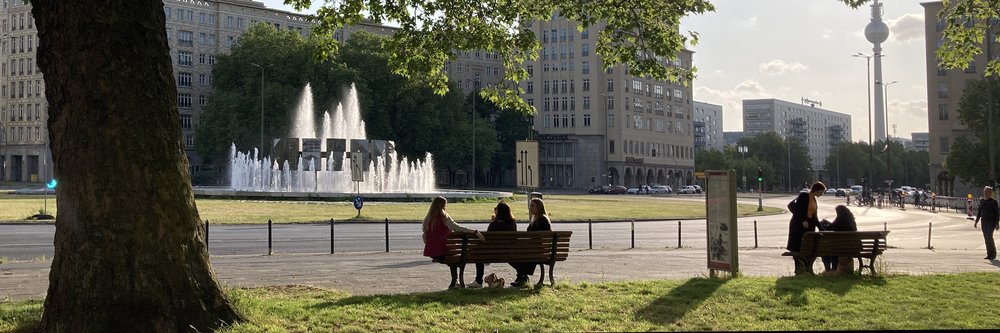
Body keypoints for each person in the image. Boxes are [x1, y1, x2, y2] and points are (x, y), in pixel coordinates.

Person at [421, 196, 484, 289]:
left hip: (434, 253)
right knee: (452, 255)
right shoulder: (444, 216)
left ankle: (455, 282)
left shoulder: (427, 219)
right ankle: (456, 282)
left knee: (452, 257)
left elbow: (425, 238)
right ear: (443, 206)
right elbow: (457, 228)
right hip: (446, 252)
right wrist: (474, 231)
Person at [471, 201, 518, 288]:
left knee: (478, 253)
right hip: (509, 252)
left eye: (496, 209)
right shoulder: (513, 223)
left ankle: (478, 281)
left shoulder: (494, 224)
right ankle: (522, 276)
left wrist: (493, 222)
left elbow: (487, 240)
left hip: (492, 254)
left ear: (499, 212)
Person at [786, 181, 827, 275]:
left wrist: (821, 228)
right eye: (821, 192)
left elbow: (815, 217)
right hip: (798, 227)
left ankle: (804, 269)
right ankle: (799, 270)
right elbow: (797, 211)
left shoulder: (814, 200)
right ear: (817, 190)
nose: (822, 194)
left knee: (806, 247)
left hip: (808, 228)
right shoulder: (804, 196)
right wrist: (803, 220)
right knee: (798, 247)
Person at [511, 197, 552, 287]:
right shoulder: (539, 219)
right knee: (514, 253)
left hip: (537, 251)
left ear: (539, 207)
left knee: (512, 254)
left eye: (532, 206)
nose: (530, 208)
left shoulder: (541, 220)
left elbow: (536, 238)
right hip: (538, 250)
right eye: (530, 205)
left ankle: (522, 276)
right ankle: (522, 276)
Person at [819, 205, 858, 274]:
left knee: (825, 252)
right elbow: (834, 226)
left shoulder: (840, 220)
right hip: (852, 247)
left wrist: (822, 223)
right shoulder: (851, 221)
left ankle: (829, 270)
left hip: (840, 248)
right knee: (834, 250)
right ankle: (834, 270)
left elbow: (829, 228)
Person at [974, 186, 1000, 260]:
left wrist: (997, 223)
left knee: (989, 236)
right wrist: (976, 221)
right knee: (986, 237)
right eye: (984, 191)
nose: (985, 193)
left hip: (991, 222)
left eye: (987, 192)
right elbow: (979, 212)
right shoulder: (982, 201)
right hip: (984, 222)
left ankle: (993, 254)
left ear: (990, 193)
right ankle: (989, 254)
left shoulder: (993, 202)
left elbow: (997, 213)